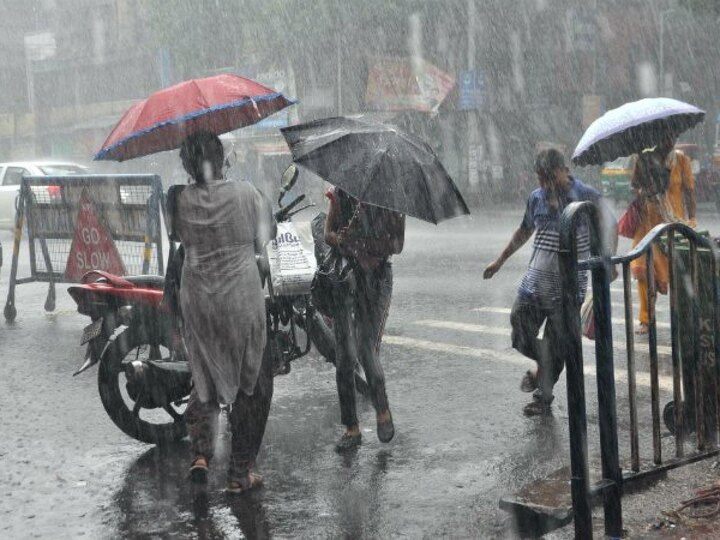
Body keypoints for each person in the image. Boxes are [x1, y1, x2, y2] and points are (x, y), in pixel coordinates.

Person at [169, 131, 276, 493]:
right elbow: (266, 236)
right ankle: (239, 472)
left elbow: (180, 238)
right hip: (240, 301)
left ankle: (201, 455)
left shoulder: (178, 200)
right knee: (253, 385)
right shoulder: (247, 194)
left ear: (188, 165)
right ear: (222, 159)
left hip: (199, 302)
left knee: (206, 378)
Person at [483, 148, 616, 416]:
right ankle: (544, 365)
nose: (545, 185)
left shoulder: (585, 197)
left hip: (568, 290)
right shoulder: (537, 199)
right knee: (519, 331)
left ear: (562, 170)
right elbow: (523, 231)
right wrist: (499, 261)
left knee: (559, 343)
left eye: (549, 177)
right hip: (534, 286)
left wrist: (608, 260)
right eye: (541, 179)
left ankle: (543, 397)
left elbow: (609, 225)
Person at [324, 187, 405, 451]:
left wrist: (361, 242)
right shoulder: (340, 193)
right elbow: (328, 234)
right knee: (344, 355)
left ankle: (383, 412)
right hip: (345, 278)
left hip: (377, 280)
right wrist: (341, 241)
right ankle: (351, 428)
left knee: (366, 349)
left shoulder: (390, 197)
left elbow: (397, 245)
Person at [631, 140, 696, 334]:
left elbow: (689, 192)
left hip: (672, 224)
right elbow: (635, 187)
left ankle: (681, 319)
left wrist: (692, 218)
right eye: (664, 136)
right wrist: (647, 189)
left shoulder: (681, 160)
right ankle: (646, 318)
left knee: (675, 273)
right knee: (642, 269)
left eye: (672, 135)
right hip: (647, 223)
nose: (668, 140)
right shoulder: (644, 158)